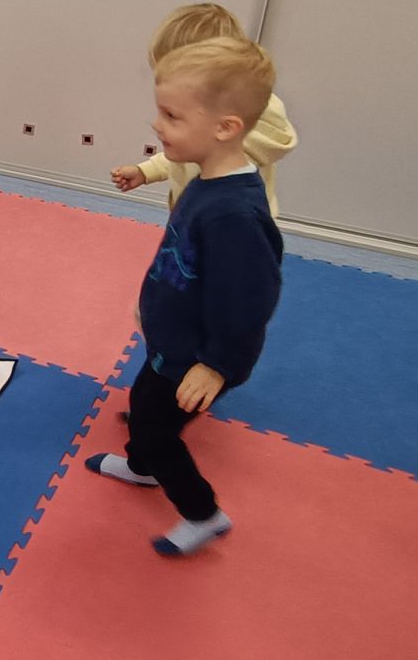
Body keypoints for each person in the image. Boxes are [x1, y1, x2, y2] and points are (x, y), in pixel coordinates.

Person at [84, 36, 284, 558]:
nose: (157, 125)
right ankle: (142, 466)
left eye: (171, 116)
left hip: (198, 356)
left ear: (225, 128)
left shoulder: (235, 215)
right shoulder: (205, 179)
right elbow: (185, 258)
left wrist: (216, 366)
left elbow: (251, 302)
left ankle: (203, 514)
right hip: (172, 339)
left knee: (157, 431)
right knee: (143, 405)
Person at [110, 3, 298, 217]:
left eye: (171, 115)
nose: (156, 124)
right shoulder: (210, 128)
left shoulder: (235, 178)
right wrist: (146, 171)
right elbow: (184, 155)